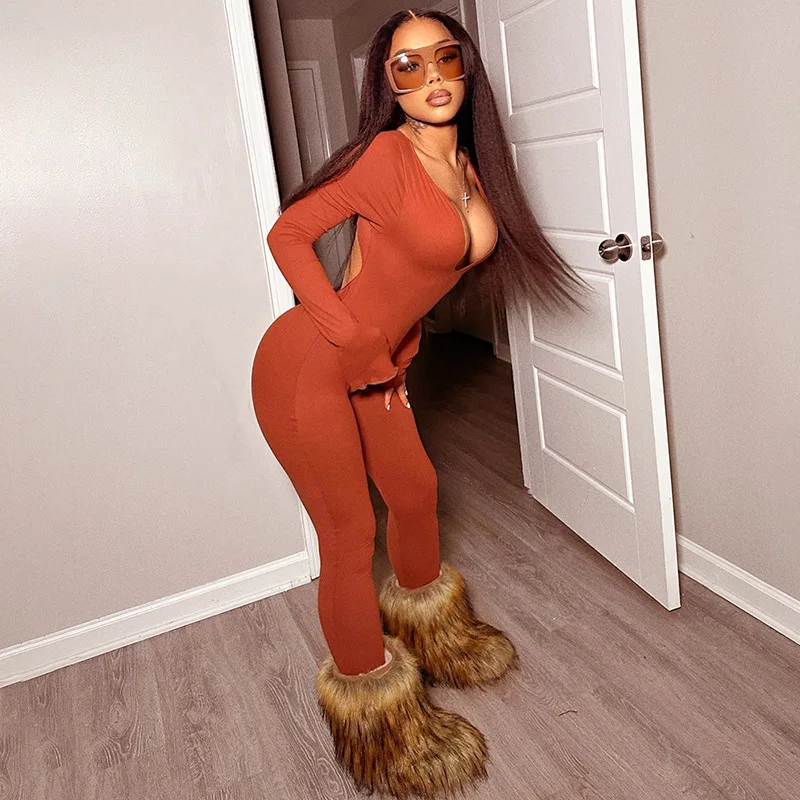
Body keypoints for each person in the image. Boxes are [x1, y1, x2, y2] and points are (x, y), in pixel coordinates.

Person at [251, 8, 586, 798]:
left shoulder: (469, 164)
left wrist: (397, 351)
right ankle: (383, 725)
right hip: (305, 365)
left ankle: (438, 639)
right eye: (407, 65)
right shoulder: (385, 157)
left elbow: (409, 280)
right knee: (349, 534)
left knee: (415, 492)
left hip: (376, 365)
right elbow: (288, 235)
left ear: (466, 68)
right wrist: (352, 336)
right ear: (389, 85)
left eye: (445, 58)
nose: (431, 77)